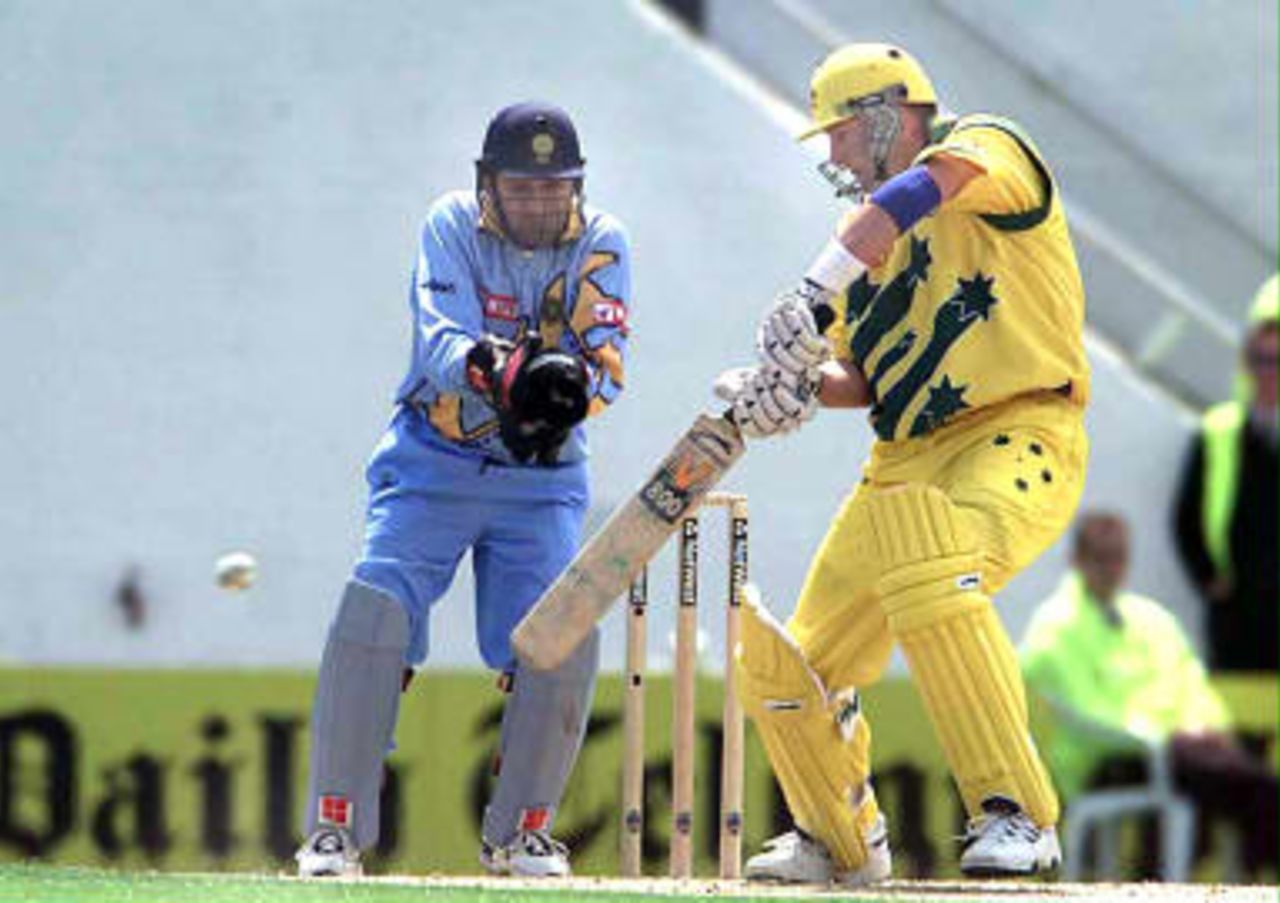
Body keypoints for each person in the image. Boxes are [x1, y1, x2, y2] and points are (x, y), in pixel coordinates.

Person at [712, 43, 1089, 883]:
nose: (836, 156)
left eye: (841, 134)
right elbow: (861, 377)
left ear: (887, 114)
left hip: (1018, 431)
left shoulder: (988, 150)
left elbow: (919, 190)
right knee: (790, 664)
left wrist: (813, 285)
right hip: (905, 456)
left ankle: (1016, 814)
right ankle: (835, 836)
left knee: (932, 562)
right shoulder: (862, 254)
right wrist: (799, 387)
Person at [293, 101, 631, 879]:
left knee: (562, 633)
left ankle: (522, 835)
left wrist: (557, 406)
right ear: (488, 185)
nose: (541, 203)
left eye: (556, 188)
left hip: (541, 479)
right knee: (375, 607)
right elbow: (441, 336)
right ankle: (335, 829)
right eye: (522, 187)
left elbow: (606, 358)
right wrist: (511, 375)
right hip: (431, 459)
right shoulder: (450, 225)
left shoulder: (601, 242)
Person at [1022, 512, 1278, 877]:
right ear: (1077, 560)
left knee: (1234, 771)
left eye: (1118, 557)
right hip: (1106, 758)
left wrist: (1203, 726)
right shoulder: (1056, 626)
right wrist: (1158, 735)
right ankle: (1256, 857)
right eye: (1101, 558)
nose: (1112, 568)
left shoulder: (1149, 618)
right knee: (1245, 783)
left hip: (1175, 753)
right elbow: (1082, 707)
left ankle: (1227, 860)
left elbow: (1190, 680)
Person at [1173, 274, 1278, 672]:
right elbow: (1186, 518)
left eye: (1278, 362)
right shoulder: (1219, 432)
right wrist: (1211, 582)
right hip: (1238, 619)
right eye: (1261, 361)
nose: (1269, 373)